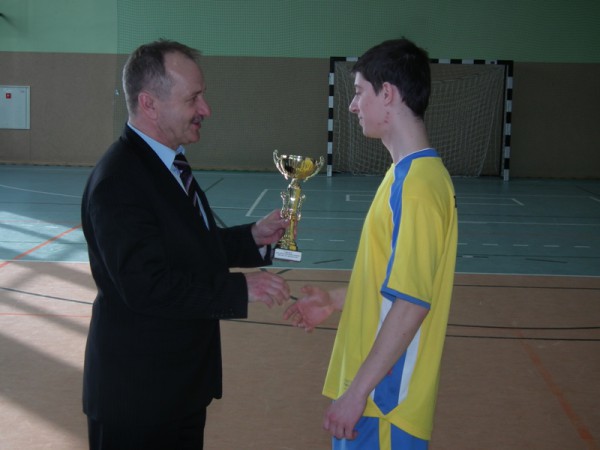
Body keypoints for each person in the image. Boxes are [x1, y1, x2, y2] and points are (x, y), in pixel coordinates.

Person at [81, 39, 290, 450]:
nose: (205, 109)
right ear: (150, 104)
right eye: (193, 98)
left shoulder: (167, 163)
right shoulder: (119, 181)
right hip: (137, 401)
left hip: (178, 390)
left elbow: (186, 248)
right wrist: (238, 289)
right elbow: (146, 285)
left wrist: (251, 238)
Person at [284, 38, 458, 449]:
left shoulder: (417, 187)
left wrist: (357, 393)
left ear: (388, 94)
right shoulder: (401, 176)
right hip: (374, 400)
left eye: (360, 92)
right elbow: (392, 285)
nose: (352, 105)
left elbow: (412, 302)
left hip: (383, 406)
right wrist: (334, 300)